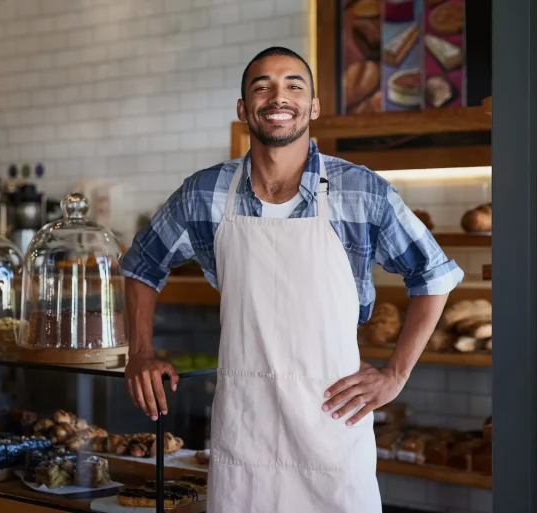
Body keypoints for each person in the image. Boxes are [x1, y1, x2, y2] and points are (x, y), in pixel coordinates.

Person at [119, 46, 464, 513]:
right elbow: (142, 265)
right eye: (261, 86)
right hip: (246, 431)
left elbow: (434, 274)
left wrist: (395, 374)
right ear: (244, 109)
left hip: (332, 429)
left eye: (293, 85)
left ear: (313, 106)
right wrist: (139, 351)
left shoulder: (361, 191)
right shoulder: (205, 193)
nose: (277, 96)